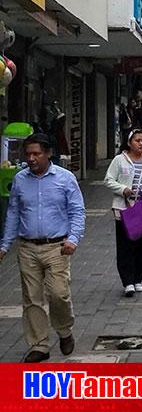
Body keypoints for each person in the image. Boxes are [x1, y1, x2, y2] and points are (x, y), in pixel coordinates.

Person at [0, 134, 85, 363]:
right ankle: (39, 344)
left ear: (48, 154)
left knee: (59, 293)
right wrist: (5, 245)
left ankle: (64, 330)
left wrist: (73, 239)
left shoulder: (65, 179)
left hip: (57, 247)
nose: (32, 158)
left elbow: (77, 211)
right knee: (32, 298)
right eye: (28, 154)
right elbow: (14, 213)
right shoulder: (20, 179)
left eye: (36, 153)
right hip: (27, 247)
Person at [105, 129, 142, 298]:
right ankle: (127, 281)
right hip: (125, 209)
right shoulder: (119, 160)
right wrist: (122, 189)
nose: (141, 143)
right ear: (129, 142)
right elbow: (109, 180)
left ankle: (138, 278)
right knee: (125, 246)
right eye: (137, 140)